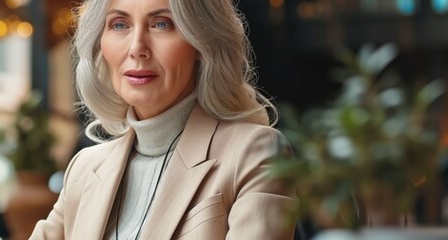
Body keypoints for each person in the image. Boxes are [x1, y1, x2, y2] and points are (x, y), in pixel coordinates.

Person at [30, 0, 297, 239]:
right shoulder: (84, 169)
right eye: (120, 24)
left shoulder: (255, 153)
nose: (137, 48)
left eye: (161, 24)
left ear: (201, 43)